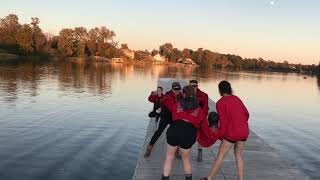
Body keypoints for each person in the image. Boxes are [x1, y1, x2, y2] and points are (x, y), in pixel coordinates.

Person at [201, 80, 249, 180]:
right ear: (230, 89)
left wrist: (220, 136)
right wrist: (241, 124)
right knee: (238, 155)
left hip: (232, 132)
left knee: (221, 155)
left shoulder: (220, 103)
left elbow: (223, 122)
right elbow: (246, 113)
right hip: (243, 131)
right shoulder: (237, 98)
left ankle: (209, 178)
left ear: (220, 91)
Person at [162, 85, 205, 180]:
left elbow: (173, 117)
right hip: (189, 133)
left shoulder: (177, 104)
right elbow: (199, 123)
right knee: (185, 159)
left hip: (175, 130)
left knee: (169, 158)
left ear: (184, 94)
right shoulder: (199, 108)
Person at [144, 82, 183, 157]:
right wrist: (153, 94)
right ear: (172, 89)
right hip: (165, 116)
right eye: (175, 89)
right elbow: (157, 101)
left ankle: (177, 151)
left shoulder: (181, 95)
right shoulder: (167, 96)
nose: (177, 91)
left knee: (177, 133)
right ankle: (149, 148)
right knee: (158, 132)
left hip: (174, 117)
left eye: (178, 89)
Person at [189, 79, 209, 162]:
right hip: (190, 118)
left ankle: (199, 154)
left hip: (200, 118)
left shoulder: (204, 95)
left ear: (197, 86)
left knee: (200, 136)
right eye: (190, 86)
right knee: (188, 135)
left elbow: (205, 109)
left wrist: (202, 119)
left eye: (194, 86)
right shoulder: (186, 95)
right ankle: (185, 151)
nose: (192, 88)